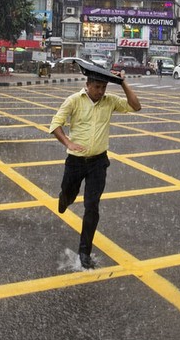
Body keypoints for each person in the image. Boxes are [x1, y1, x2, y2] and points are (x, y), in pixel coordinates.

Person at [50, 67, 141, 269]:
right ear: (88, 85)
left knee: (92, 206)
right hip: (75, 161)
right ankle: (64, 198)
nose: (101, 91)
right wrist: (68, 143)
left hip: (98, 163)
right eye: (97, 87)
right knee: (69, 193)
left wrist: (123, 83)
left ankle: (84, 251)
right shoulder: (74, 100)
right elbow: (56, 124)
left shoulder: (109, 101)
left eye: (104, 87)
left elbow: (136, 106)